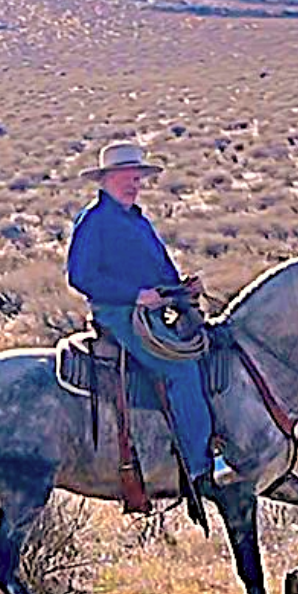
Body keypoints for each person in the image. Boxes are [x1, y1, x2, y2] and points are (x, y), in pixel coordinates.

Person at [67, 139, 227, 489]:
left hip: (150, 310)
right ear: (104, 180)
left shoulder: (137, 220)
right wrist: (135, 295)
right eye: (125, 176)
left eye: (137, 177)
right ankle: (202, 467)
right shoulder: (94, 221)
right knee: (179, 369)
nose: (132, 184)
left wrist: (180, 288)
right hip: (118, 315)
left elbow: (160, 270)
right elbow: (80, 276)